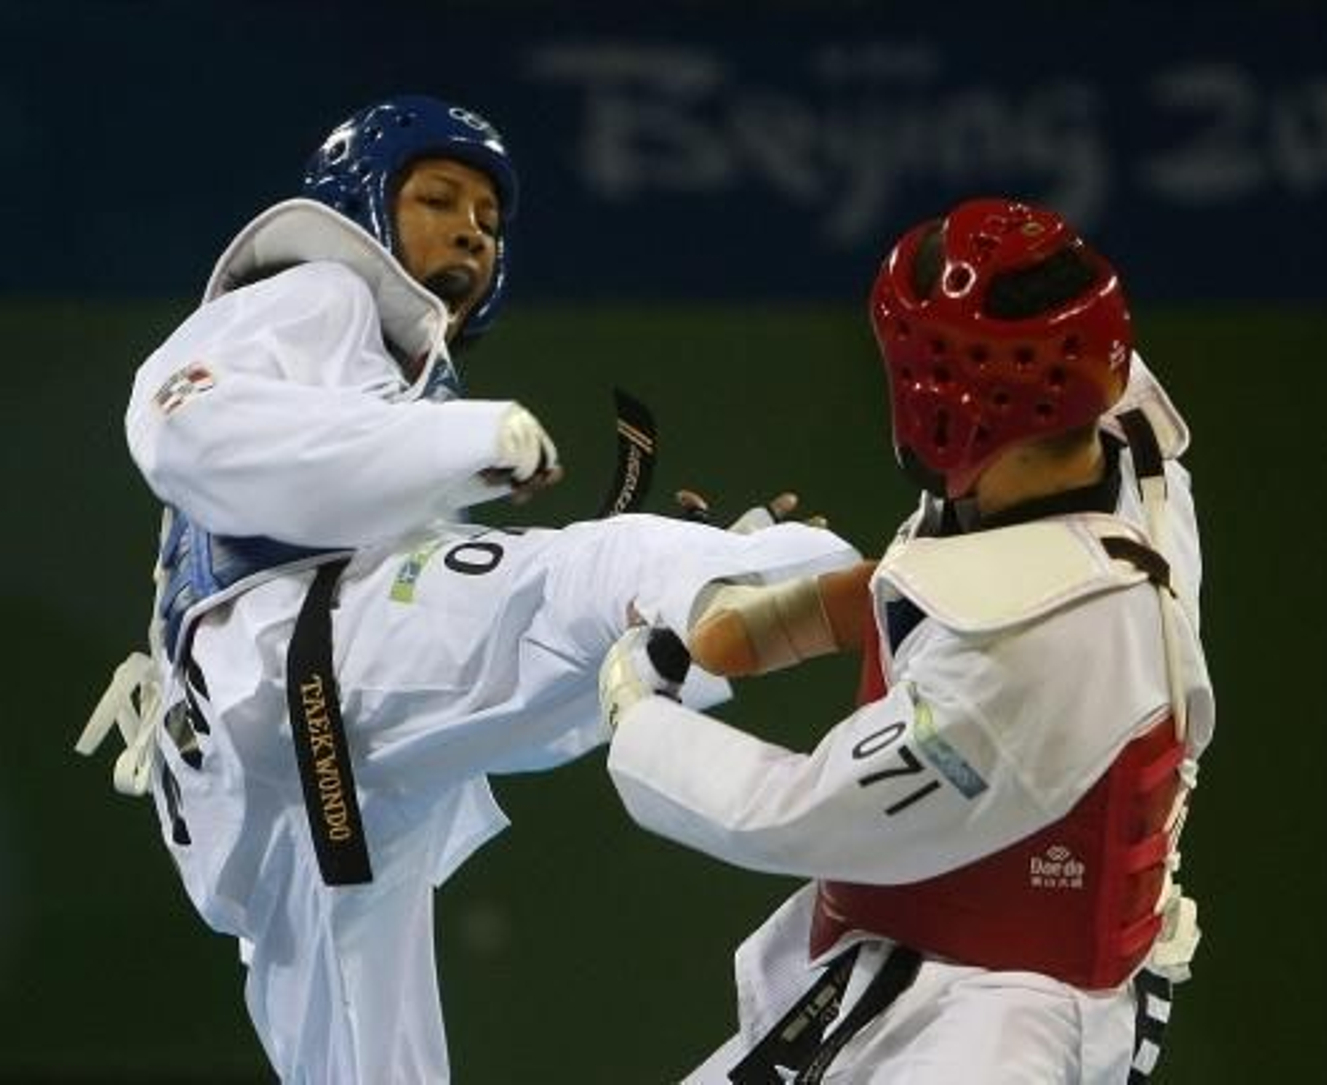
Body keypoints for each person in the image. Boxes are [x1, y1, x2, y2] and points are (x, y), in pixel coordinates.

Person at [77, 93, 862, 1084]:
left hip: (277, 766)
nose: (471, 231)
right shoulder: (316, 291)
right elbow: (182, 427)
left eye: (488, 219)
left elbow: (441, 621)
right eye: (439, 199)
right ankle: (836, 587)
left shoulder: (380, 382)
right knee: (583, 574)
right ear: (361, 202)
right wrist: (468, 441)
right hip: (291, 655)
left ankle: (693, 607)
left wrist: (665, 596)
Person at [600, 197, 1216, 1083]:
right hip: (927, 968)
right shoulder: (1116, 455)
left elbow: (796, 812)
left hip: (992, 1027)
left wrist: (637, 713)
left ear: (952, 403)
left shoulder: (1031, 654)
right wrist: (782, 620)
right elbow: (952, 578)